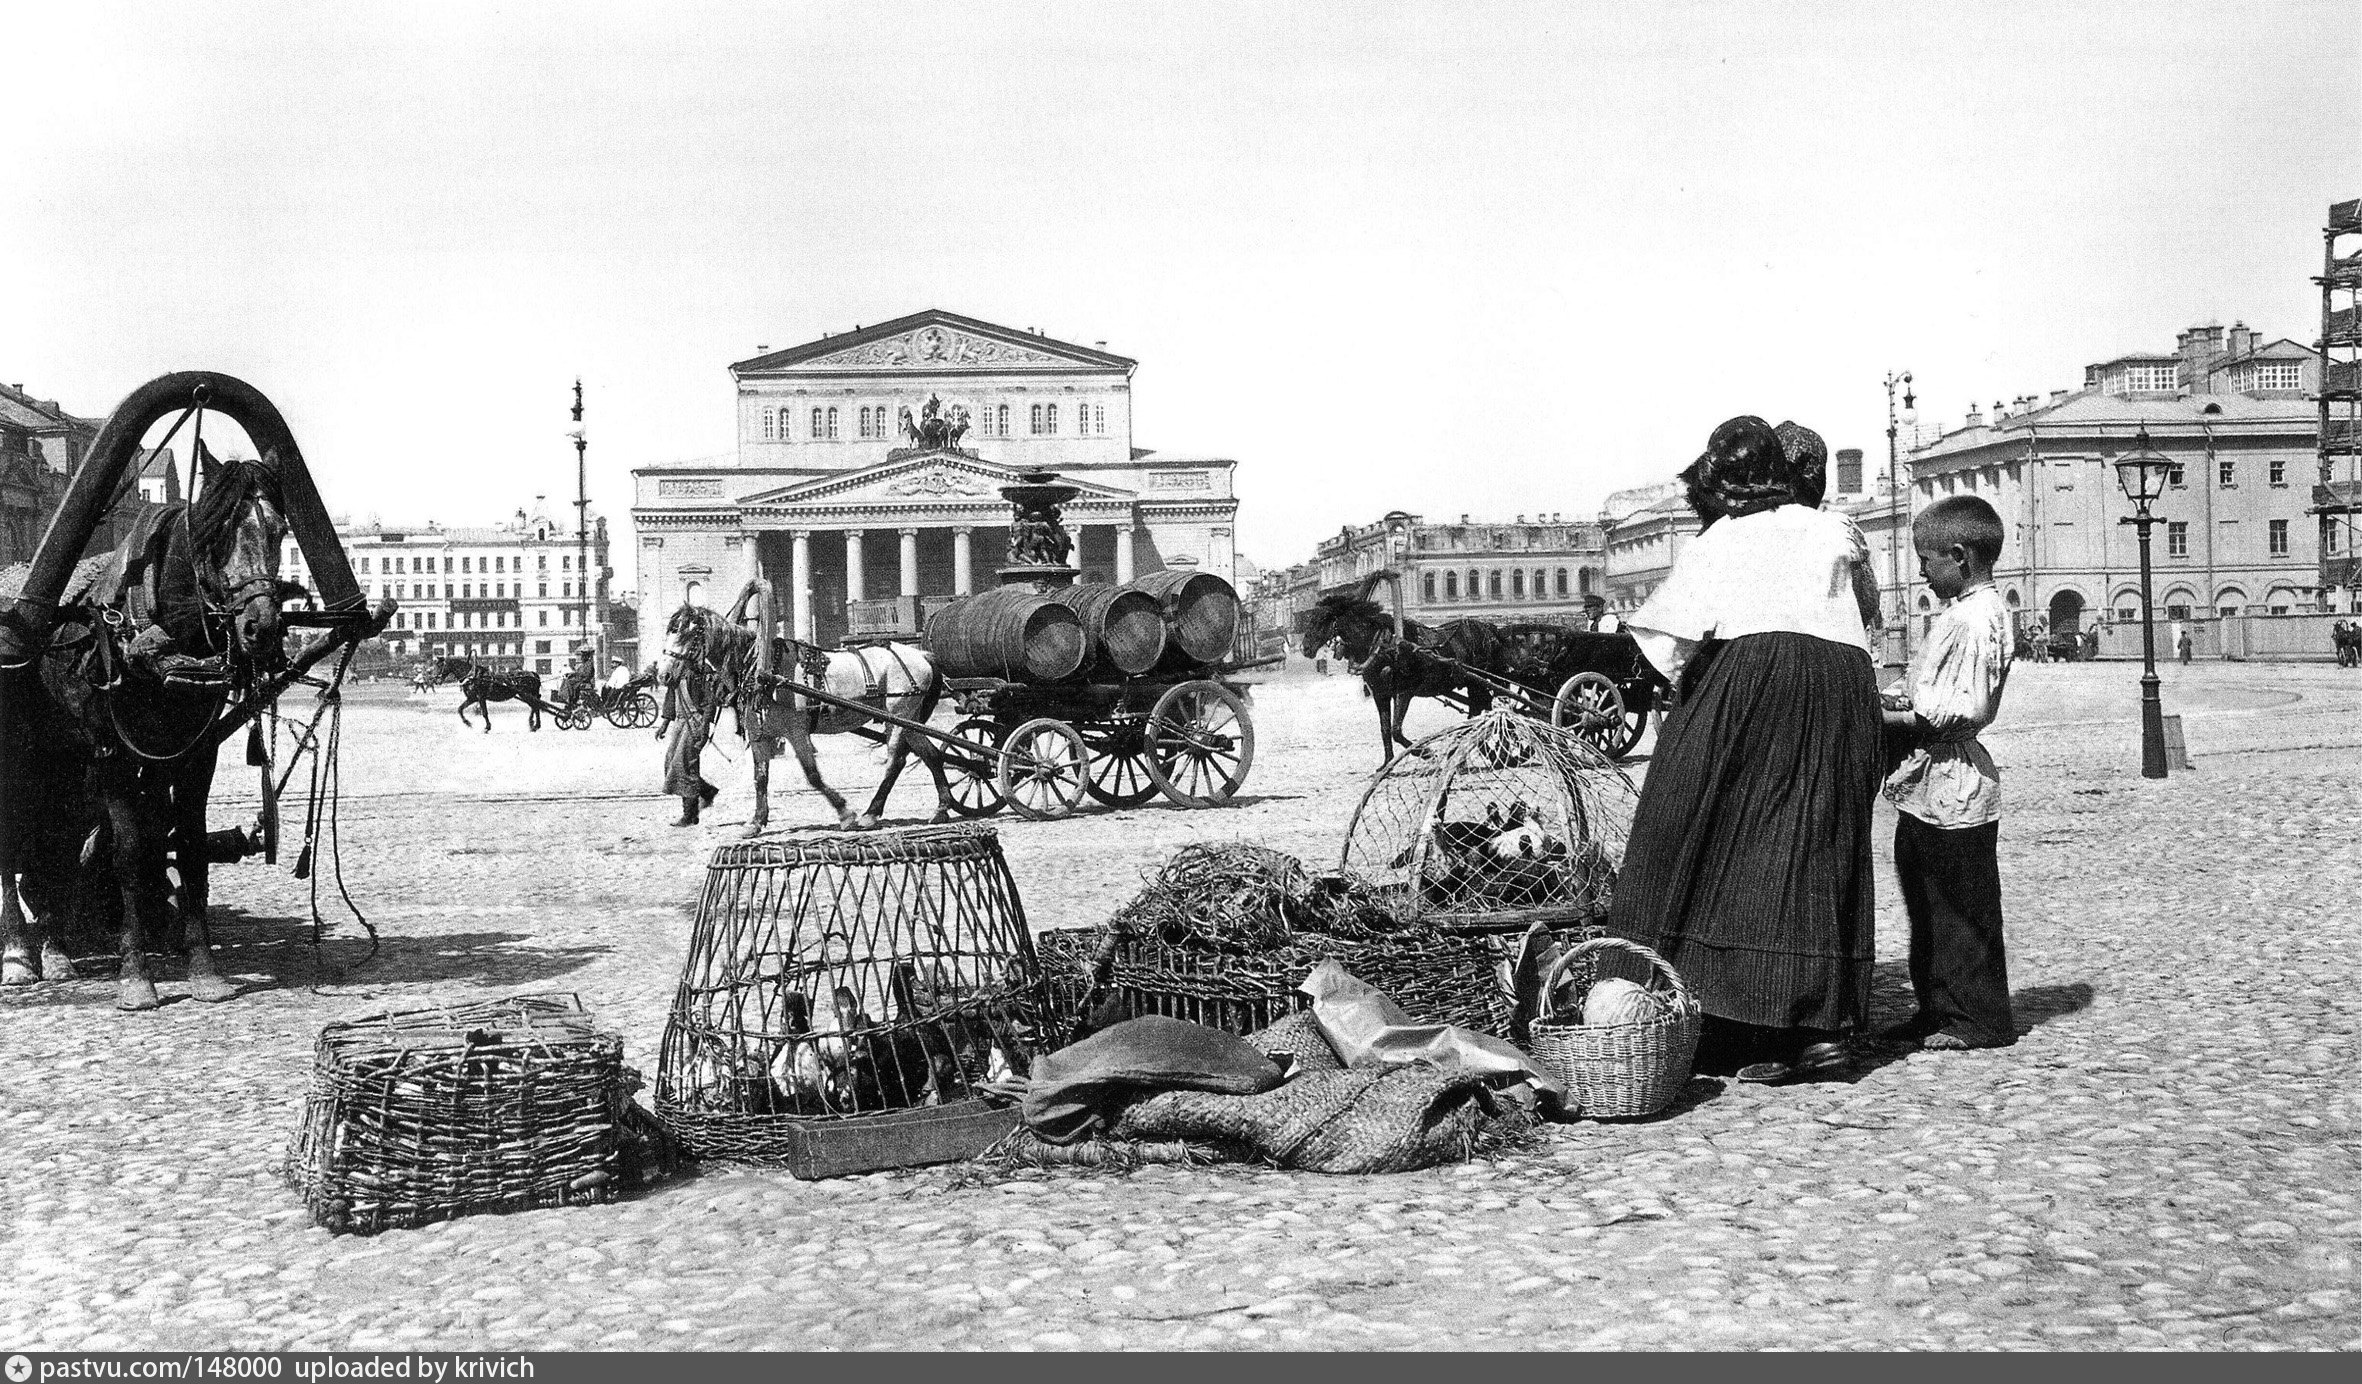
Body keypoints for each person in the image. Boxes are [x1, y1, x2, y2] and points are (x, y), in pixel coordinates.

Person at [1608, 415, 1886, 1086]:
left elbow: (1667, 645)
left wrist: (1688, 704)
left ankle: (1706, 1006)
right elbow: (1867, 610)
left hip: (1760, 676)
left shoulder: (1722, 538)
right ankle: (1822, 1033)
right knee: (1819, 838)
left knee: (1691, 824)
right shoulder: (1836, 530)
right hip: (1845, 685)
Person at [1879, 496, 2017, 1052]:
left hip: (1953, 779)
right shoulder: (1968, 613)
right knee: (1926, 899)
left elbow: (1948, 709)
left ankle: (1979, 1017)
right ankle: (1937, 1005)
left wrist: (1877, 711)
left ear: (1959, 556)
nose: (1920, 572)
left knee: (1959, 906)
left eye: (1925, 560)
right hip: (1933, 783)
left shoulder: (1971, 619)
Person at [653, 615, 721, 828]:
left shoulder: (705, 672)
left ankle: (690, 815)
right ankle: (706, 791)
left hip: (696, 722)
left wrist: (705, 725)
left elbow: (711, 701)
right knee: (671, 761)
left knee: (685, 765)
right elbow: (671, 695)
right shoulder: (679, 669)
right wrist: (665, 722)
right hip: (680, 722)